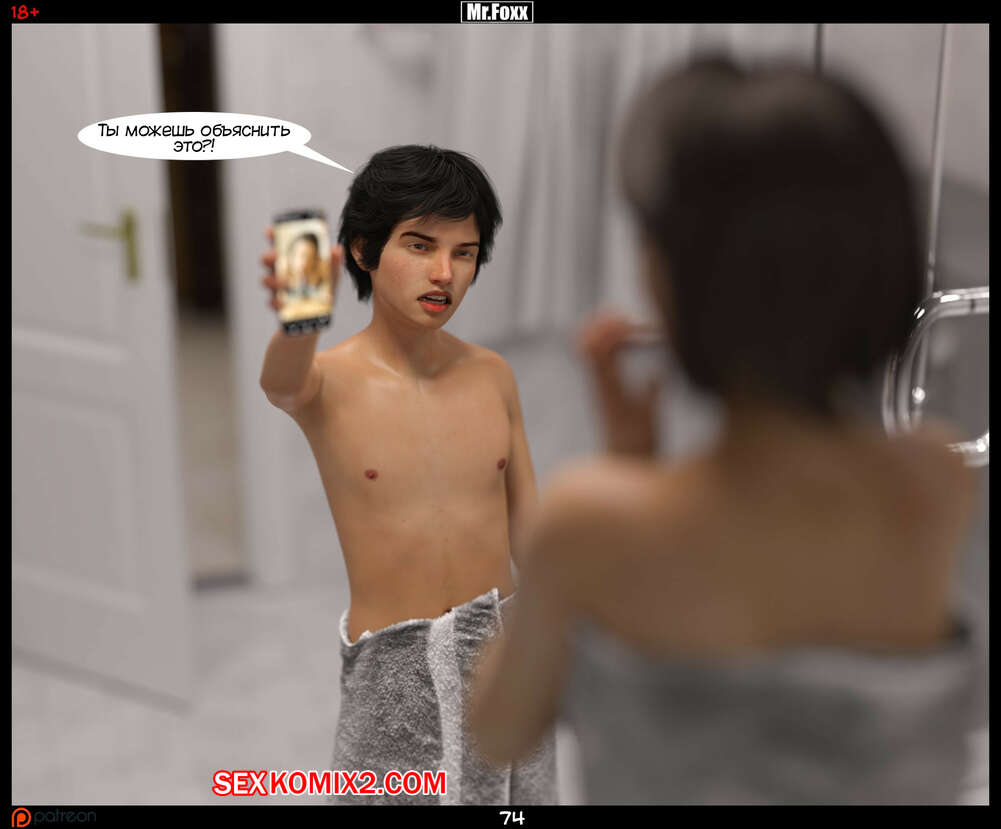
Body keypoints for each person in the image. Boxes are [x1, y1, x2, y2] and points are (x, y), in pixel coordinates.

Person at [468, 57, 981, 804]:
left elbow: (498, 729)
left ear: (665, 280)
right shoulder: (931, 484)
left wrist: (625, 470)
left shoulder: (589, 525)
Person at [259, 145, 556, 805]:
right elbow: (280, 384)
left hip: (504, 654)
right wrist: (300, 321)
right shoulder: (326, 382)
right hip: (391, 675)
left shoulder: (493, 375)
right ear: (364, 251)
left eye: (464, 252)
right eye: (420, 246)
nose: (443, 272)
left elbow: (531, 533)